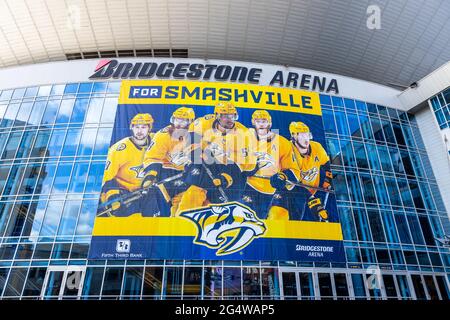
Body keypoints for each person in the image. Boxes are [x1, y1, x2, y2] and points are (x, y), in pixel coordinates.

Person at [176, 102, 256, 213]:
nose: (229, 119)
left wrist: (226, 177)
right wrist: (197, 155)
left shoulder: (244, 134)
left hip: (230, 170)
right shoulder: (203, 123)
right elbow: (191, 144)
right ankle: (182, 219)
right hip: (205, 163)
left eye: (232, 116)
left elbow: (246, 164)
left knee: (212, 207)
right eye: (224, 116)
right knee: (193, 194)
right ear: (217, 116)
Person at [241, 110, 299, 220]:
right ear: (253, 122)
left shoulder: (282, 142)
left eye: (264, 121)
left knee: (271, 222)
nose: (261, 124)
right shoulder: (244, 137)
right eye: (258, 121)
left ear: (270, 123)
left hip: (271, 190)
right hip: (247, 186)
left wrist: (283, 176)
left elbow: (293, 169)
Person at [140, 107, 195, 216]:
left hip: (188, 172)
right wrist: (151, 175)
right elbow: (152, 157)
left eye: (183, 121)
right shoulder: (163, 135)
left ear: (190, 122)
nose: (179, 124)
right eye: (177, 120)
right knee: (173, 201)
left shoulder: (196, 134)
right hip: (167, 172)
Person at [273, 121, 332, 221]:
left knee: (295, 225)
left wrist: (327, 182)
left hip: (305, 195)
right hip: (286, 190)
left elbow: (327, 165)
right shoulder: (288, 150)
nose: (306, 139)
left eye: (307, 135)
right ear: (294, 136)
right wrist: (313, 201)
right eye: (302, 135)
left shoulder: (317, 147)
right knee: (277, 216)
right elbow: (293, 180)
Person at [99, 113, 154, 216]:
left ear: (149, 128)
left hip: (147, 192)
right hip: (125, 195)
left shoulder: (156, 140)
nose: (139, 131)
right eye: (136, 127)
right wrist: (113, 197)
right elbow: (106, 179)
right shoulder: (118, 150)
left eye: (143, 127)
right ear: (131, 128)